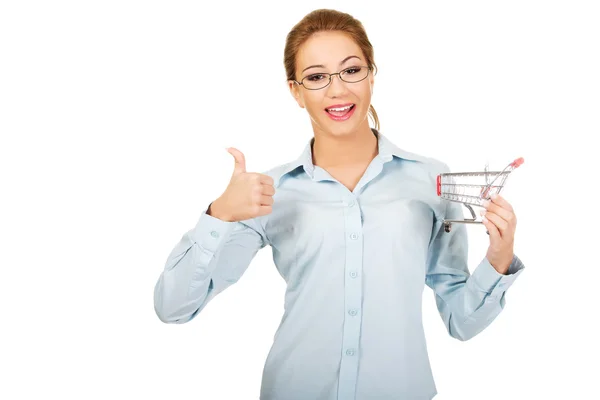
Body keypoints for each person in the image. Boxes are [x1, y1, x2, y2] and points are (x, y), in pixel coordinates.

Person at [153, 8, 525, 400]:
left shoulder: (430, 180)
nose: (337, 90)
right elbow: (173, 307)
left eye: (351, 70)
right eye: (316, 77)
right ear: (296, 91)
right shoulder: (268, 191)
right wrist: (220, 214)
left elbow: (461, 321)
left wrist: (500, 256)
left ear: (371, 75)